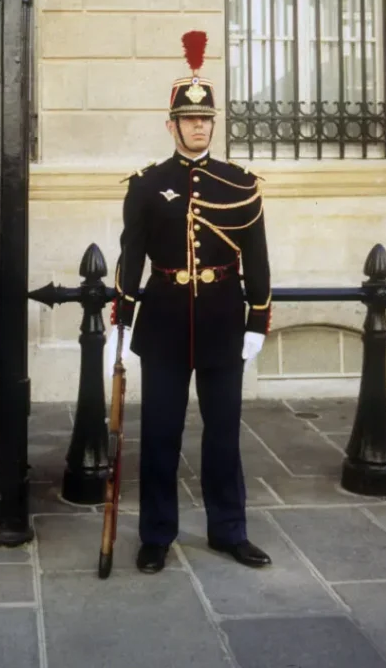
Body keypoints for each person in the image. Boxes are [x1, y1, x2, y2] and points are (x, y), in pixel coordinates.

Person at [112, 30, 272, 573]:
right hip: (163, 321)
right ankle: (157, 533)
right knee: (160, 431)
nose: (198, 126)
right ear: (172, 124)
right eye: (188, 118)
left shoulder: (240, 183)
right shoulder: (146, 184)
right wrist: (122, 313)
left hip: (225, 318)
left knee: (224, 432)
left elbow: (258, 255)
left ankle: (229, 530)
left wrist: (258, 318)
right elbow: (130, 255)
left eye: (205, 119)